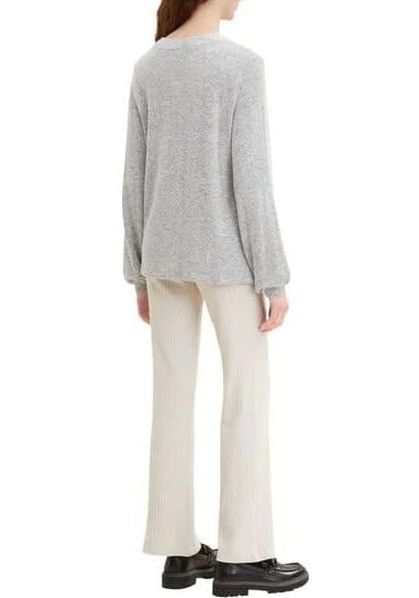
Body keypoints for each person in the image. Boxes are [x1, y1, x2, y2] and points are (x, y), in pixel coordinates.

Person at [121, 0, 308, 594]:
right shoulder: (240, 66)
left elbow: (134, 177)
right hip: (227, 258)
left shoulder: (149, 66)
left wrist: (138, 272)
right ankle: (243, 555)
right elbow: (250, 180)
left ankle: (178, 551)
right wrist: (273, 277)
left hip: (163, 255)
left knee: (171, 400)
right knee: (245, 395)